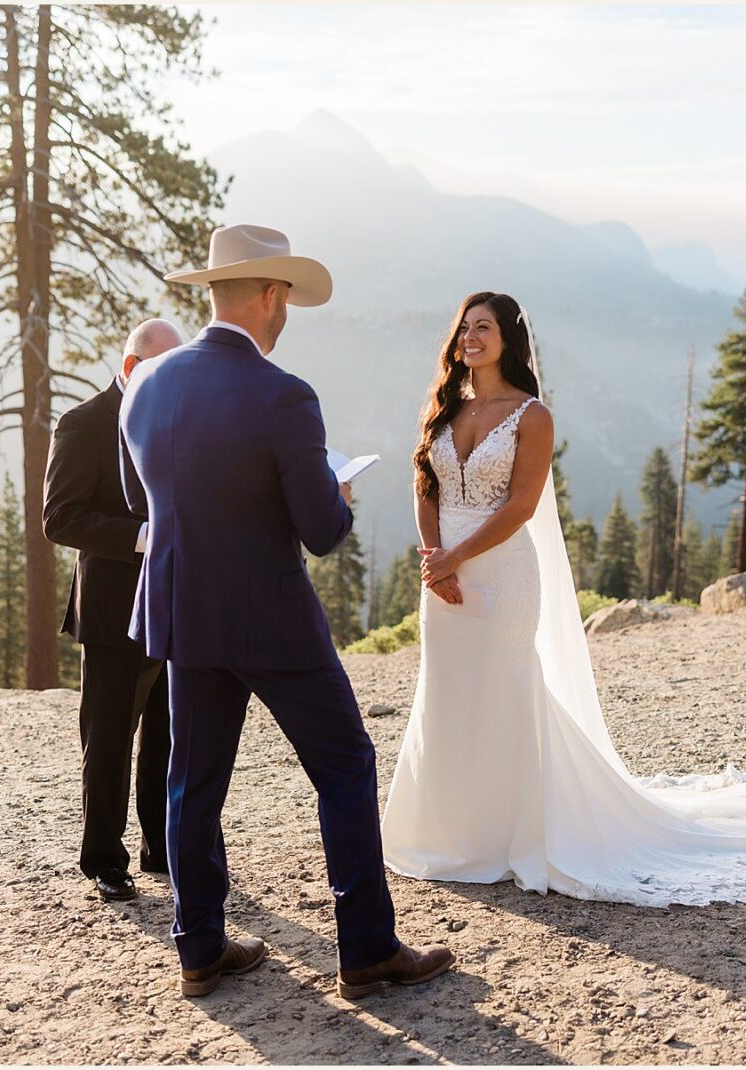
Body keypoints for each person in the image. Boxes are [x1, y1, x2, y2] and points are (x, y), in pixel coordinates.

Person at [381, 290, 746, 906]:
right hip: (441, 575)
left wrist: (459, 558)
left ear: (508, 340)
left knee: (503, 690)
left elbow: (521, 506)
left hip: (500, 572)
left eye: (484, 328)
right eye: (464, 328)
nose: (470, 338)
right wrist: (433, 558)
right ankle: (442, 830)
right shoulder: (446, 407)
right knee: (445, 693)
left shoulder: (531, 416)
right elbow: (425, 486)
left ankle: (505, 836)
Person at [119, 224, 453, 999]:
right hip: (269, 616)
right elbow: (322, 532)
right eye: (289, 298)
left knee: (191, 783)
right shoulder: (285, 395)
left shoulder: (147, 384)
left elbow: (144, 502)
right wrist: (335, 494)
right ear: (271, 296)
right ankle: (366, 950)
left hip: (182, 611)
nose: (289, 311)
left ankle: (197, 947)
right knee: (344, 765)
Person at [43, 318, 183, 903]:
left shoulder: (177, 417)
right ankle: (104, 858)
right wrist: (144, 536)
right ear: (130, 368)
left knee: (168, 735)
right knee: (108, 738)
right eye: (164, 371)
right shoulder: (82, 424)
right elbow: (60, 519)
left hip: (175, 599)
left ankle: (161, 847)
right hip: (111, 608)